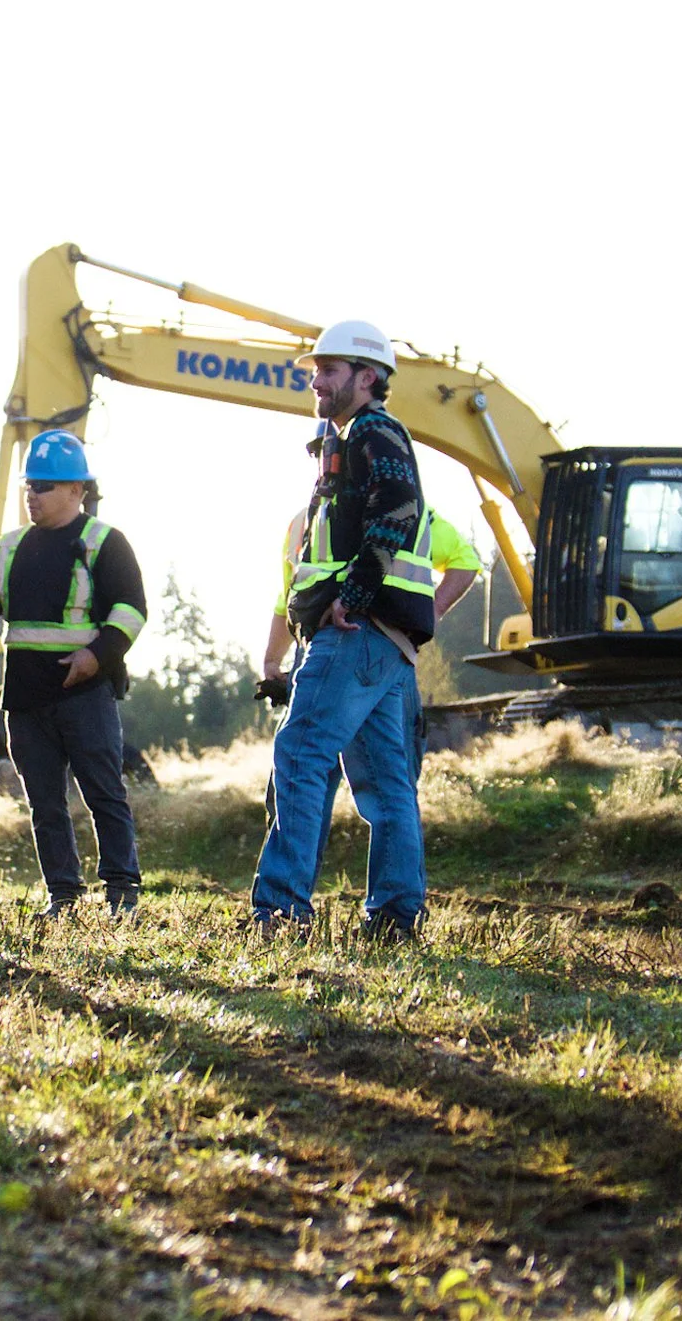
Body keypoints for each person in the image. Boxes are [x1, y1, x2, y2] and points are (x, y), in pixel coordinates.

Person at [251, 321, 438, 938]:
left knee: (300, 752)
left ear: (368, 378)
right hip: (388, 644)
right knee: (387, 786)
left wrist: (350, 598)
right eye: (315, 368)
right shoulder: (355, 440)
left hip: (356, 631)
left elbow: (397, 512)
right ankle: (394, 918)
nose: (315, 379)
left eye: (329, 369)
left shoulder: (372, 432)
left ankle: (281, 911)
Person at [0, 430, 147, 917]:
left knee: (104, 793)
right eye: (30, 485)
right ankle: (63, 896)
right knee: (45, 805)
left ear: (77, 490)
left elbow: (131, 611)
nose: (33, 495)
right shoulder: (9, 548)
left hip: (85, 693)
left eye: (44, 486)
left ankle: (121, 892)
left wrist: (97, 656)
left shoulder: (105, 543)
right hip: (25, 701)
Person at [259, 485, 482, 796]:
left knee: (301, 774)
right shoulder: (406, 509)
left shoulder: (302, 522)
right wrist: (429, 613)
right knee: (391, 787)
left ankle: (300, 846)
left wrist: (272, 659)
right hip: (388, 644)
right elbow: (465, 561)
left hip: (319, 648)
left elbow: (288, 601)